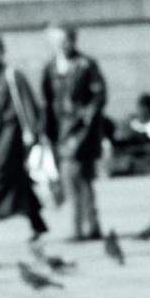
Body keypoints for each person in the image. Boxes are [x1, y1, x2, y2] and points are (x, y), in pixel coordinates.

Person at [0, 34, 48, 246]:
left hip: (10, 139)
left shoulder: (11, 75)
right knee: (18, 183)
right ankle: (37, 222)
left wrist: (31, 132)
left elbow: (27, 104)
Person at [41, 22, 106, 242]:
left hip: (80, 132)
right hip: (60, 131)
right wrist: (45, 132)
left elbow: (98, 97)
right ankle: (90, 225)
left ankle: (81, 227)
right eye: (58, 41)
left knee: (75, 178)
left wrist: (85, 122)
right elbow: (47, 102)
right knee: (81, 179)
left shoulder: (86, 64)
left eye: (66, 40)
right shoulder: (50, 68)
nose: (63, 45)